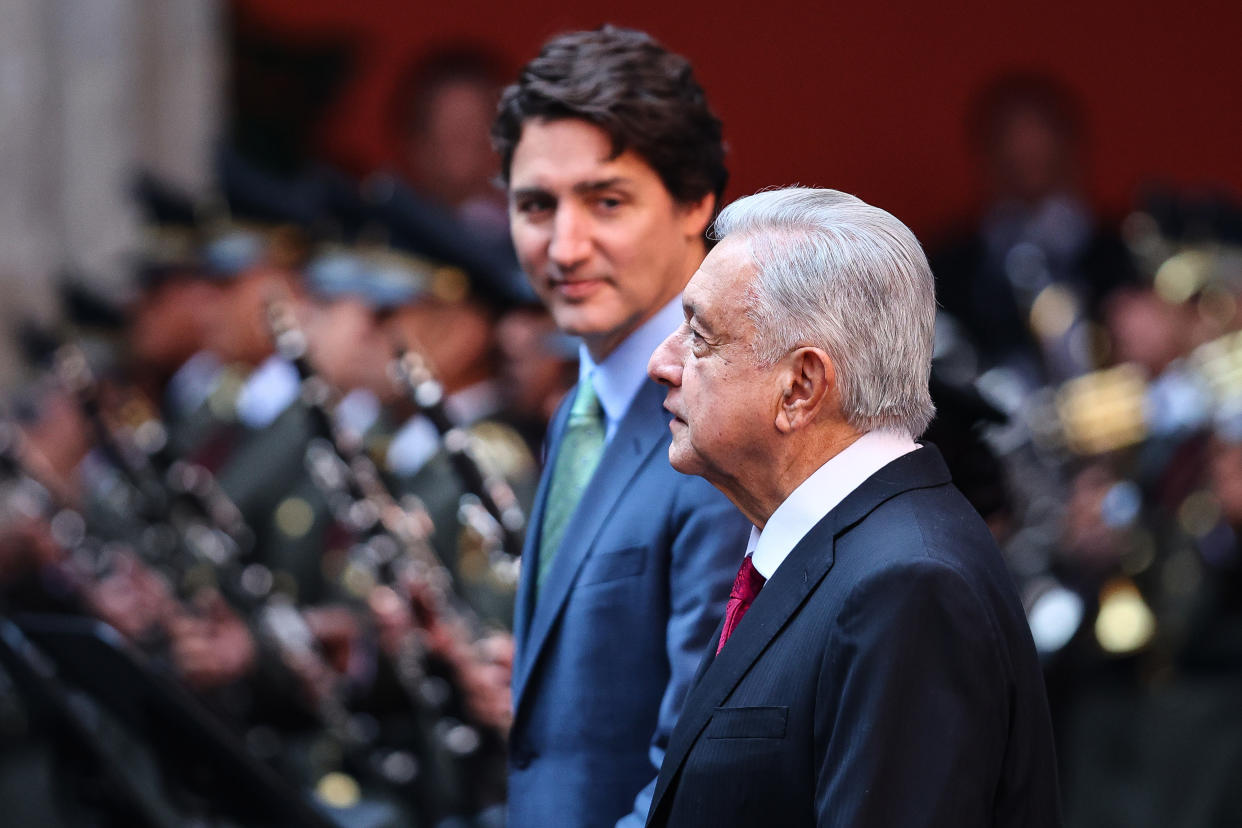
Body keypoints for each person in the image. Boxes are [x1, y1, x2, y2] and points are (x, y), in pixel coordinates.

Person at [645, 187, 1061, 827]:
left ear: (801, 387)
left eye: (700, 336)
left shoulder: (908, 585)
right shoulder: (847, 554)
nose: (662, 362)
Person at [491, 26, 751, 828]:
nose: (564, 246)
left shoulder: (723, 420)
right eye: (536, 205)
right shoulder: (581, 405)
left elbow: (699, 766)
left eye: (606, 201)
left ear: (696, 205)